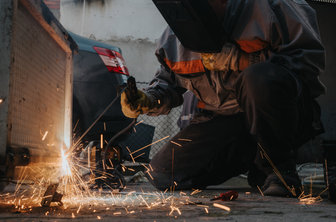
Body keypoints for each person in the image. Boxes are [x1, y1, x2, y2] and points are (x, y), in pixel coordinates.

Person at [121, 0, 325, 197]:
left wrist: (243, 61)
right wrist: (148, 99)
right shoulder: (175, 37)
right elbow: (167, 84)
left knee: (259, 79)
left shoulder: (272, 6)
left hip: (281, 115)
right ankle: (255, 162)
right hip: (225, 122)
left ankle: (280, 171)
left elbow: (308, 61)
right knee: (163, 173)